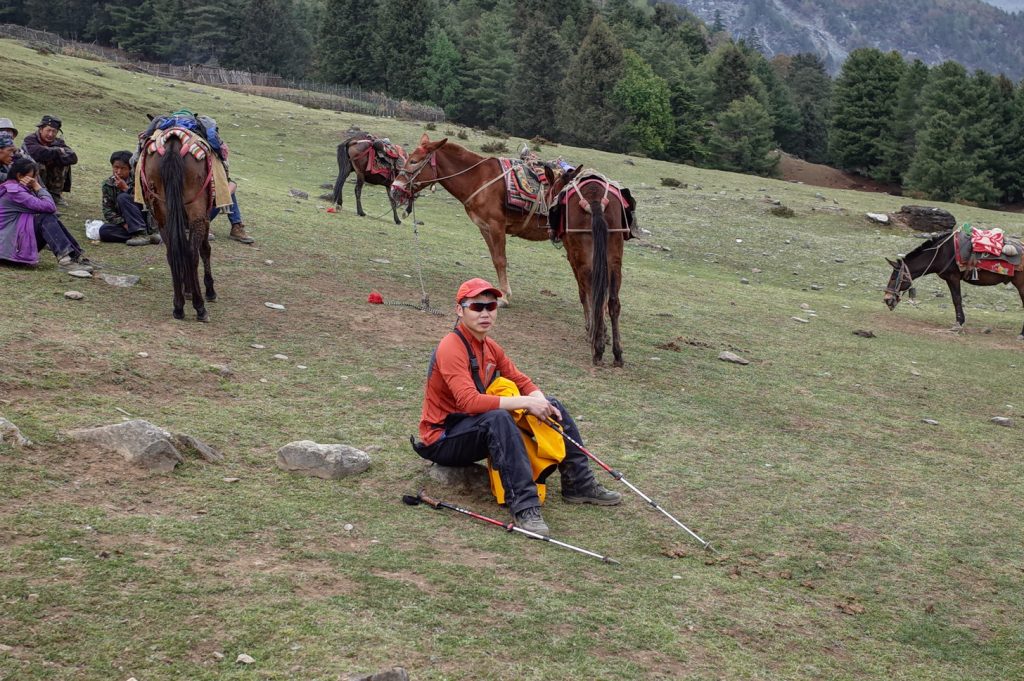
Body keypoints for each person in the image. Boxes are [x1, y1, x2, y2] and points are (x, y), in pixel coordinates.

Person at [411, 277, 621, 536]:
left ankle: (579, 482)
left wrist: (540, 402)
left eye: (492, 306)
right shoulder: (451, 347)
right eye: (477, 307)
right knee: (497, 418)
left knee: (551, 403)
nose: (485, 313)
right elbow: (469, 401)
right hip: (443, 437)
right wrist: (526, 402)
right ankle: (524, 505)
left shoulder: (490, 346)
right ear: (460, 310)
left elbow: (520, 380)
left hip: (472, 427)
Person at [137, 110, 254, 243]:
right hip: (194, 217)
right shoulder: (201, 139)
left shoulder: (155, 146)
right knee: (229, 186)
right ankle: (236, 226)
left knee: (227, 187)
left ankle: (225, 225)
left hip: (167, 218)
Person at [0, 156, 95, 271]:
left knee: (47, 218)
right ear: (20, 176)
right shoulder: (14, 192)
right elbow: (50, 207)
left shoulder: (16, 188)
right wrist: (37, 187)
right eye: (33, 177)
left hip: (10, 246)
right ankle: (66, 260)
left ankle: (74, 256)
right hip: (7, 251)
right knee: (46, 218)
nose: (35, 180)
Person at [99, 151, 160, 246]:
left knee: (123, 197)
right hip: (126, 222)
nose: (118, 172)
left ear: (130, 169)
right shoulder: (108, 184)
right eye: (116, 167)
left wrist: (126, 189)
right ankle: (144, 236)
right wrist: (124, 224)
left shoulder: (140, 180)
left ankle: (142, 233)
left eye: (123, 168)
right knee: (104, 231)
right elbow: (108, 211)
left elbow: (146, 203)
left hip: (144, 218)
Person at [20, 115, 77, 205]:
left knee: (63, 165)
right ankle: (36, 192)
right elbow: (37, 154)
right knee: (38, 165)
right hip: (29, 178)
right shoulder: (30, 139)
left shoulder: (58, 142)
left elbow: (72, 157)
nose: (50, 134)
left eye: (54, 131)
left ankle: (55, 195)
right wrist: (57, 151)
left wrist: (52, 158)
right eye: (48, 130)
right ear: (41, 129)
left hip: (50, 178)